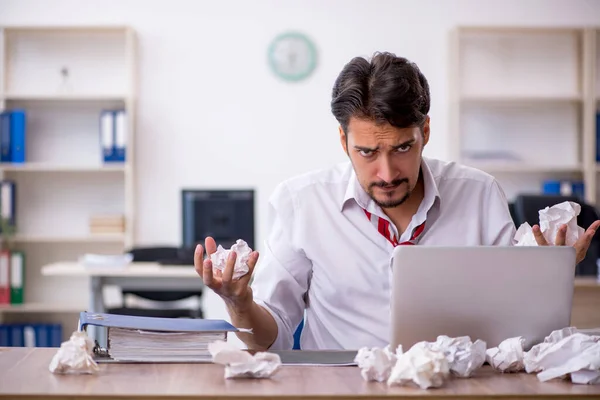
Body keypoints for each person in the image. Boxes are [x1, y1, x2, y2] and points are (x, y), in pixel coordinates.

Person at [194, 52, 600, 351]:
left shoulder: (478, 194)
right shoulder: (302, 202)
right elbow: (273, 339)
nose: (387, 174)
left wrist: (549, 274)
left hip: (460, 387)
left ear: (425, 131)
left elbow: (520, 330)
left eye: (403, 147)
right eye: (368, 152)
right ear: (344, 141)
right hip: (341, 389)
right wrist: (240, 302)